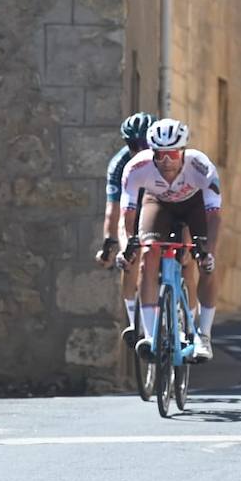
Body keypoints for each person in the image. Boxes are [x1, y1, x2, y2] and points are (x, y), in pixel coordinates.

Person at [120, 118, 221, 362]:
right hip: (158, 204)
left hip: (194, 206)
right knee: (147, 255)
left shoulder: (201, 167)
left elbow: (215, 216)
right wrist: (127, 246)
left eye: (173, 154)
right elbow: (128, 216)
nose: (166, 161)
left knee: (205, 265)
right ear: (151, 152)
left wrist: (209, 252)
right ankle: (151, 336)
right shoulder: (136, 168)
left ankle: (204, 335)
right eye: (160, 155)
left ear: (183, 152)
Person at [95, 112, 154, 345]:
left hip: (160, 203)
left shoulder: (166, 158)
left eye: (145, 144)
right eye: (133, 145)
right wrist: (110, 246)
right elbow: (114, 211)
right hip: (133, 207)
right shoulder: (120, 165)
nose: (139, 150)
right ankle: (134, 321)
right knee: (130, 256)